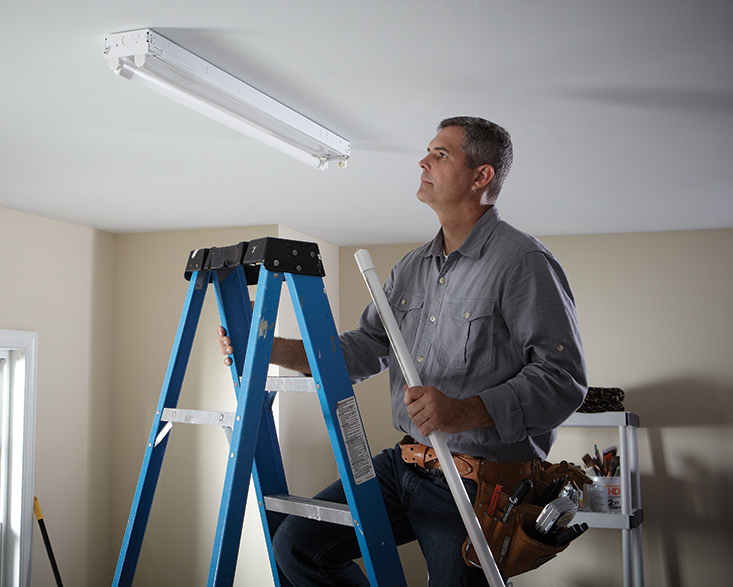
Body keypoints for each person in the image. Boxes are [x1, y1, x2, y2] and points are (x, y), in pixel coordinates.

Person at [217, 116, 587, 586]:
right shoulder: (411, 268)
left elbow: (563, 379)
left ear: (481, 176)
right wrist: (266, 346)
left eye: (441, 154)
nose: (423, 161)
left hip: (477, 486)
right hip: (405, 465)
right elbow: (361, 349)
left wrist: (466, 410)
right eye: (428, 151)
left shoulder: (523, 264)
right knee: (297, 547)